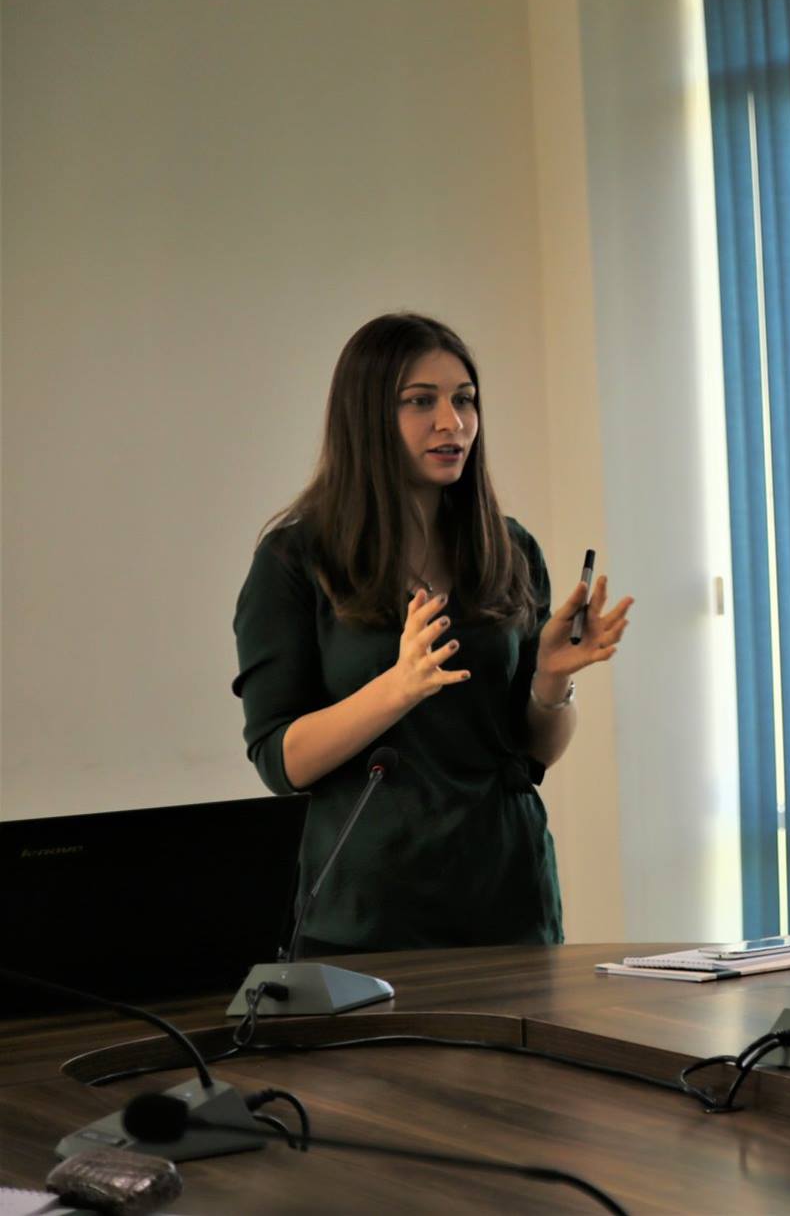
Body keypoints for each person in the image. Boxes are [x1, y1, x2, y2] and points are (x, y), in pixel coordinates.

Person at [233, 314, 631, 953]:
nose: (453, 423)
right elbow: (282, 762)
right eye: (421, 402)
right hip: (368, 916)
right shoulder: (295, 560)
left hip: (508, 898)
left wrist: (552, 680)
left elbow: (533, 755)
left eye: (464, 400)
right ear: (367, 417)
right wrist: (398, 687)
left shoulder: (509, 548)